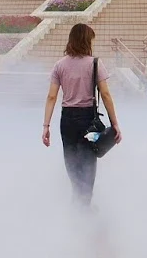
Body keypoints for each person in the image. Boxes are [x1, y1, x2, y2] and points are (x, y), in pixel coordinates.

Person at [41, 23, 122, 207]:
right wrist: (115, 123)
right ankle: (84, 211)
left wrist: (46, 126)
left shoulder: (59, 65)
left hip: (67, 120)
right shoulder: (95, 63)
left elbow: (52, 96)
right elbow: (106, 95)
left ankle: (77, 210)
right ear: (86, 41)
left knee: (72, 165)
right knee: (88, 165)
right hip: (88, 121)